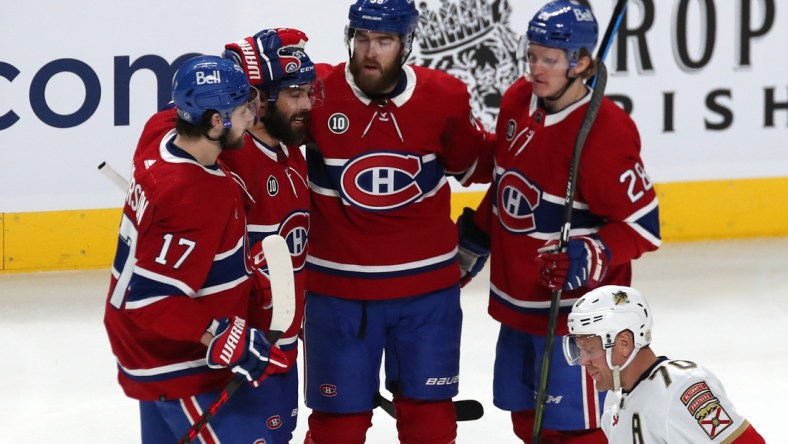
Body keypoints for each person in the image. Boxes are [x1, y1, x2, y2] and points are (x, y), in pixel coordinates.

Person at [456, 1, 661, 442]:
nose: (536, 68)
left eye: (550, 59)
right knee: (524, 417)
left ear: (582, 62)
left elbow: (644, 225)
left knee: (578, 429)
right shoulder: (516, 100)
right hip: (517, 303)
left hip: (576, 317)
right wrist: (477, 237)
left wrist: (590, 253)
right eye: (532, 55)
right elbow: (508, 184)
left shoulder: (605, 130)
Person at [301, 0, 495, 442]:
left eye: (384, 41)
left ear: (406, 44)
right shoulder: (316, 94)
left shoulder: (443, 97)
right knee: (337, 428)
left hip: (426, 295)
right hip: (338, 295)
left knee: (430, 422)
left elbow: (488, 166)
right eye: (362, 39)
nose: (370, 52)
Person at [103, 55, 289, 443]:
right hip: (176, 361)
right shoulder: (194, 195)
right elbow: (151, 298)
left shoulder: (161, 133)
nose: (252, 119)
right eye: (243, 111)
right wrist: (219, 333)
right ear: (216, 122)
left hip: (147, 348)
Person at [220, 28, 318, 443]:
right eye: (294, 94)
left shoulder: (291, 148)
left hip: (283, 342)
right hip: (240, 351)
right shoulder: (227, 160)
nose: (306, 105)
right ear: (257, 100)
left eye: (308, 92)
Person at [564, 285, 765, 443]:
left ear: (624, 343)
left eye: (590, 349)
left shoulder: (681, 388)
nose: (583, 361)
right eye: (580, 350)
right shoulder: (614, 399)